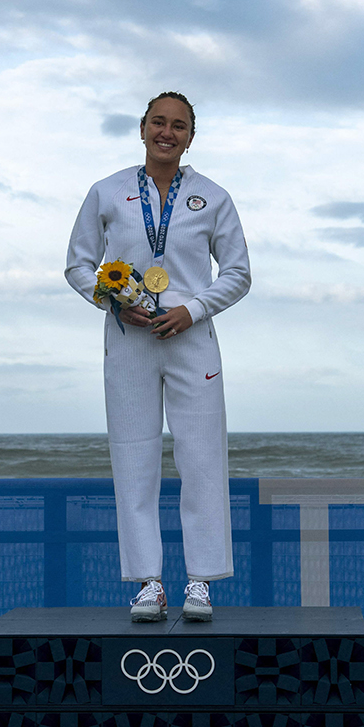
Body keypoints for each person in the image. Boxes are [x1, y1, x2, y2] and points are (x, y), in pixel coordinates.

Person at [66, 92, 251, 621]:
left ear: (191, 136)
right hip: (130, 338)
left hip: (191, 338)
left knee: (202, 459)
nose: (166, 132)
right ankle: (148, 582)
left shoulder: (213, 197)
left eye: (179, 125)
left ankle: (201, 582)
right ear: (142, 128)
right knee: (134, 457)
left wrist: (193, 310)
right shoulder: (107, 192)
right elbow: (79, 265)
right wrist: (113, 303)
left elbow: (238, 273)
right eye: (158, 123)